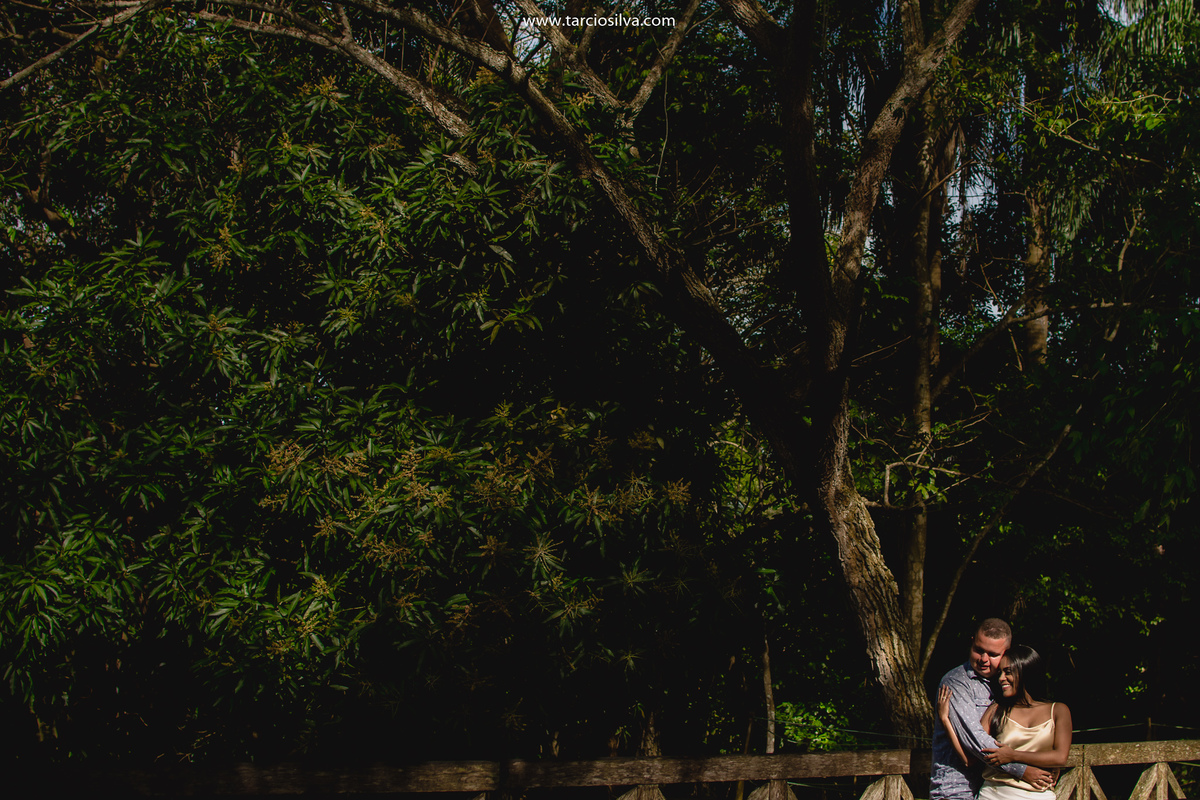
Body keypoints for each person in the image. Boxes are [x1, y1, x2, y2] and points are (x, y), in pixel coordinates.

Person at [930, 619, 1057, 800]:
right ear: (972, 641)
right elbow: (977, 742)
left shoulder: (1004, 686)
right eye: (979, 650)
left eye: (992, 654)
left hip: (992, 789)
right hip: (957, 789)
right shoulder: (956, 682)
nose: (983, 659)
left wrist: (1047, 762)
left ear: (1006, 652)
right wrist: (1023, 770)